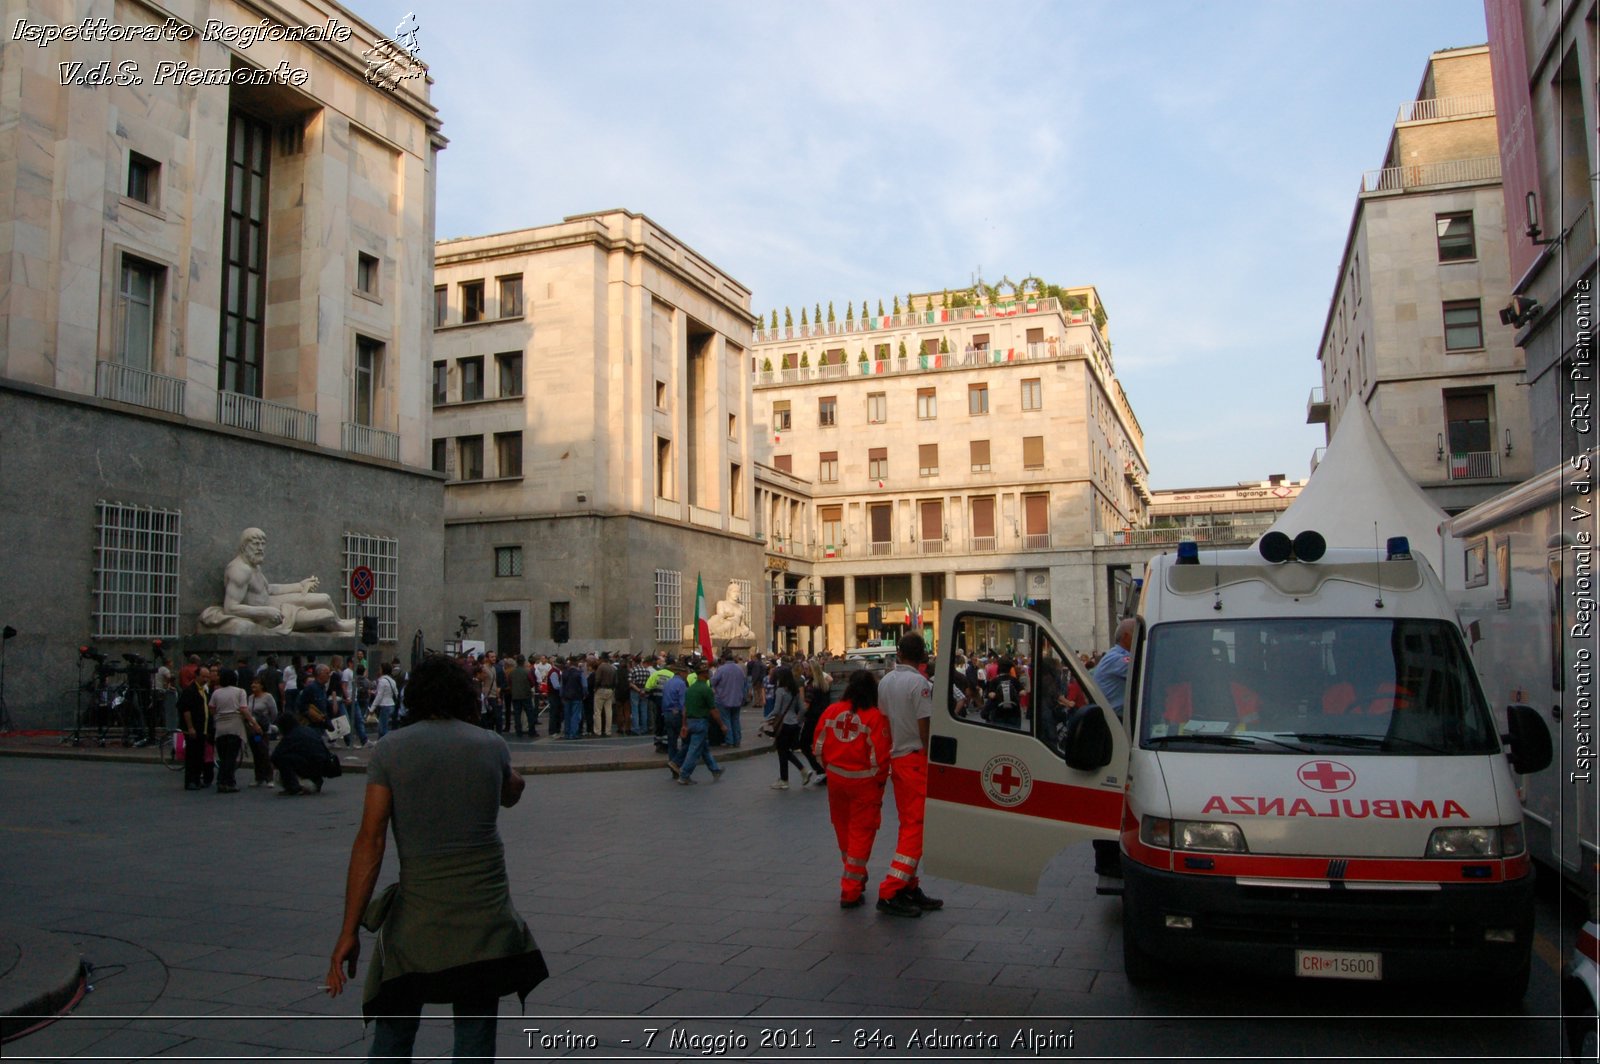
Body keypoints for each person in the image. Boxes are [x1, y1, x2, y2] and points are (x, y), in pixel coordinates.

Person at [325, 655, 547, 1061]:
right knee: (476, 1038)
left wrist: (349, 931)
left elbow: (370, 843)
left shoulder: (391, 750)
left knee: (394, 1031)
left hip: (418, 920)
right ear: (466, 696)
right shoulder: (491, 745)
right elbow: (512, 792)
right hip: (485, 918)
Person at [874, 633, 942, 916]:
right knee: (918, 826)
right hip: (916, 759)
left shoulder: (887, 681)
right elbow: (924, 724)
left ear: (900, 653)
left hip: (898, 758)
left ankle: (909, 885)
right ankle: (891, 889)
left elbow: (884, 719)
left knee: (907, 823)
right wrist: (931, 758)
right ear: (923, 655)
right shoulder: (920, 684)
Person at [813, 669, 891, 910]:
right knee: (861, 833)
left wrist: (830, 768)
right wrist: (878, 780)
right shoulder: (875, 717)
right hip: (864, 784)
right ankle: (850, 890)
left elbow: (817, 747)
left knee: (843, 830)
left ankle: (853, 872)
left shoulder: (831, 712)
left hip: (836, 781)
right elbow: (880, 756)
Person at [1090, 618, 1136, 877]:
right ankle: (1106, 860)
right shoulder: (1120, 659)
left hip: (1115, 730)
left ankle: (1111, 855)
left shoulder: (1117, 656)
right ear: (1127, 637)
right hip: (1110, 731)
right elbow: (1147, 669)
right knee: (1109, 795)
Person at [674, 661, 725, 785]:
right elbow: (713, 710)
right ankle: (684, 775)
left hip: (690, 721)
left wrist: (684, 724)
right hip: (700, 722)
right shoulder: (706, 690)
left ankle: (715, 769)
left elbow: (685, 709)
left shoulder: (690, 689)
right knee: (694, 750)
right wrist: (721, 725)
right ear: (704, 674)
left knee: (704, 748)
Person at [769, 666, 815, 789]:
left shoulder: (780, 691)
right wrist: (798, 721)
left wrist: (766, 719)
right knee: (784, 751)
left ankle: (787, 779)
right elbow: (802, 708)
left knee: (782, 751)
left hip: (783, 724)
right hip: (793, 723)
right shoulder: (794, 690)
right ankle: (797, 773)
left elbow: (777, 710)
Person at [271, 708, 334, 796]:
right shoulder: (307, 730)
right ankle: (315, 781)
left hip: (310, 765)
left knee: (282, 759)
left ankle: (294, 787)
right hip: (323, 765)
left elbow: (275, 756)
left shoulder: (291, 736)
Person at [177, 665, 211, 791]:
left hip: (202, 728)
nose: (206, 679)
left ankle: (196, 779)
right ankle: (190, 780)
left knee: (199, 755)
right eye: (203, 676)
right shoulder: (190, 690)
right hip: (193, 728)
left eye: (207, 677)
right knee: (192, 755)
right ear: (197, 676)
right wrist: (190, 727)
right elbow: (186, 710)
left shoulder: (203, 690)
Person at [246, 675, 278, 787]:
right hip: (253, 730)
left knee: (264, 752)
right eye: (252, 683)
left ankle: (269, 777)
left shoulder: (268, 697)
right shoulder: (250, 698)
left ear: (262, 685)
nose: (253, 685)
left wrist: (268, 723)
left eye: (256, 683)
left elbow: (274, 713)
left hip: (263, 730)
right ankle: (258, 777)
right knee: (256, 752)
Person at [711, 651, 746, 747]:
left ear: (723, 659)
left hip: (723, 699)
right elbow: (744, 682)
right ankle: (737, 740)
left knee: (726, 720)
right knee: (735, 720)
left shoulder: (721, 669)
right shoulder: (739, 669)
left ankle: (729, 741)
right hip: (737, 698)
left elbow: (713, 682)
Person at [370, 662, 401, 740]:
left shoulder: (382, 681)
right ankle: (380, 742)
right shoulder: (392, 681)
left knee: (382, 728)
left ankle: (387, 741)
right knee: (384, 726)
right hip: (391, 704)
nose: (379, 670)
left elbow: (379, 696)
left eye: (380, 669)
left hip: (384, 705)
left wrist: (372, 708)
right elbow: (396, 693)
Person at [507, 655, 535, 738]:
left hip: (515, 695)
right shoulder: (527, 671)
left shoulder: (512, 672)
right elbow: (532, 682)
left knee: (517, 714)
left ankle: (518, 731)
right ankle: (531, 731)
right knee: (529, 714)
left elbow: (509, 682)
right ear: (523, 662)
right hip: (526, 695)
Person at [593, 653, 617, 736]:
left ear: (602, 659)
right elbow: (615, 681)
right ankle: (608, 731)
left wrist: (595, 688)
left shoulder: (601, 667)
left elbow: (597, 679)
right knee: (609, 711)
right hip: (610, 690)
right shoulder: (612, 668)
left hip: (601, 689)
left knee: (598, 711)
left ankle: (598, 731)